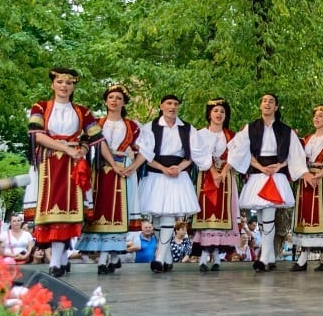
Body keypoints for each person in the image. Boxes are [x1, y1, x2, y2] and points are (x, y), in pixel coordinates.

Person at [23, 67, 104, 278]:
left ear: (73, 86)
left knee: (69, 210)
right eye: (60, 82)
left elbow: (93, 137)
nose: (64, 86)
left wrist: (82, 150)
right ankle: (58, 258)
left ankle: (59, 259)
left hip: (73, 164)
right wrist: (67, 148)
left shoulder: (82, 111)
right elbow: (37, 135)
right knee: (50, 208)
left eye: (69, 83)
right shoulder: (40, 106)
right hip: (49, 162)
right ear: (52, 84)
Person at [229, 93, 310, 272]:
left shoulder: (286, 130)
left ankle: (264, 258)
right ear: (260, 106)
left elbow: (296, 154)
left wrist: (279, 165)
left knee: (268, 217)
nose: (267, 104)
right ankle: (270, 257)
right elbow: (238, 150)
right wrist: (259, 165)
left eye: (271, 101)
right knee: (262, 218)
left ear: (276, 107)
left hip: (276, 175)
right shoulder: (250, 128)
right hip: (259, 174)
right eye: (264, 101)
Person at [76, 84, 146, 275]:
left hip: (124, 170)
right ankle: (111, 256)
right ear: (106, 101)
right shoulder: (96, 123)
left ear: (124, 103)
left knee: (119, 212)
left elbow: (145, 150)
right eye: (111, 97)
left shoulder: (132, 126)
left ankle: (107, 257)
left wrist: (133, 166)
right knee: (101, 210)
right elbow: (84, 142)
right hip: (99, 169)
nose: (114, 101)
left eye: (118, 98)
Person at [138, 95, 204, 273]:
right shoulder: (150, 127)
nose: (172, 107)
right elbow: (144, 154)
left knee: (168, 215)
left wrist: (179, 168)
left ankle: (159, 258)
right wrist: (163, 168)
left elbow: (193, 154)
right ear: (161, 106)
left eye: (175, 104)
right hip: (156, 174)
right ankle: (166, 257)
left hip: (177, 174)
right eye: (168, 103)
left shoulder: (188, 128)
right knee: (158, 218)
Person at [192, 98, 241, 273]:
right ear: (209, 114)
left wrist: (224, 170)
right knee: (208, 216)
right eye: (215, 111)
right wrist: (213, 172)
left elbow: (236, 156)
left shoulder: (232, 136)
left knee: (222, 217)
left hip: (226, 178)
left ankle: (216, 257)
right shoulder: (199, 134)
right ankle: (205, 257)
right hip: (206, 178)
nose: (219, 114)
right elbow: (199, 155)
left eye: (222, 111)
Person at [291, 105, 323, 272]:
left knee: (319, 219)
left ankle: (303, 259)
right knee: (306, 217)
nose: (316, 118)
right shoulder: (308, 138)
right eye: (315, 116)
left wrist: (319, 175)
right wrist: (305, 174)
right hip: (307, 178)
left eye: (320, 116)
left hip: (322, 178)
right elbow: (298, 158)